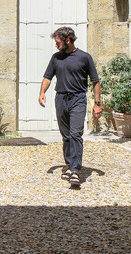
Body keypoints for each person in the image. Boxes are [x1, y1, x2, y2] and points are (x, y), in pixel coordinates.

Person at [38, 26, 102, 186]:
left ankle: (75, 171)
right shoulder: (56, 58)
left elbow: (96, 81)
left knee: (75, 135)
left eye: (58, 42)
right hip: (61, 99)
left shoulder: (84, 57)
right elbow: (47, 77)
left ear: (68, 40)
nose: (56, 45)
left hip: (78, 99)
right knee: (66, 136)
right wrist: (42, 92)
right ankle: (69, 164)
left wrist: (97, 103)